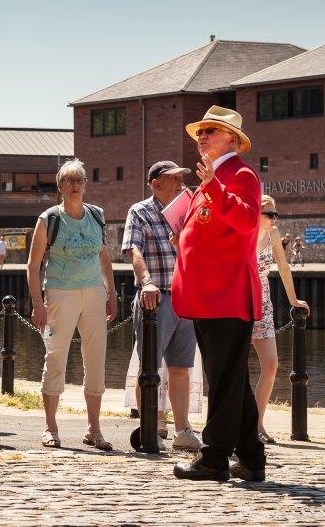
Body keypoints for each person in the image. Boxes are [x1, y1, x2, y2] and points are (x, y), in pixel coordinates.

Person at [171, 106, 267, 482]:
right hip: (209, 294)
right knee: (232, 380)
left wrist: (212, 186)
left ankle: (213, 459)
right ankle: (252, 459)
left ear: (231, 138)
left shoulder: (239, 174)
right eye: (200, 132)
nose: (202, 137)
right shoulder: (212, 177)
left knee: (225, 380)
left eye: (211, 131)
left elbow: (245, 221)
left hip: (227, 293)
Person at [27, 159, 118, 451]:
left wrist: (112, 292)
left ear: (85, 185)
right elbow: (33, 265)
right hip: (60, 293)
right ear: (60, 186)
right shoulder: (49, 218)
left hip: (93, 292)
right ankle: (50, 427)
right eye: (68, 181)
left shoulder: (97, 215)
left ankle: (94, 428)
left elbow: (104, 257)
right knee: (55, 359)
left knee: (96, 361)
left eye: (79, 180)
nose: (74, 186)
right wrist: (38, 304)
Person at [122, 160, 202, 451]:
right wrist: (146, 282)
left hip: (186, 298)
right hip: (155, 300)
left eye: (183, 178)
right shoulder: (139, 211)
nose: (181, 183)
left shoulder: (189, 211)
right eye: (175, 179)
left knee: (181, 368)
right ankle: (150, 429)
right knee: (150, 367)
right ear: (156, 184)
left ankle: (183, 430)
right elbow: (133, 250)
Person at [253, 194, 311, 443]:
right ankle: (234, 424)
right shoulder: (242, 233)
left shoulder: (274, 234)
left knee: (271, 364)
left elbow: (284, 267)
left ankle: (257, 424)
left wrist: (293, 300)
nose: (274, 218)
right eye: (270, 214)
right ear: (256, 213)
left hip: (263, 302)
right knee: (233, 368)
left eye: (276, 214)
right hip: (238, 300)